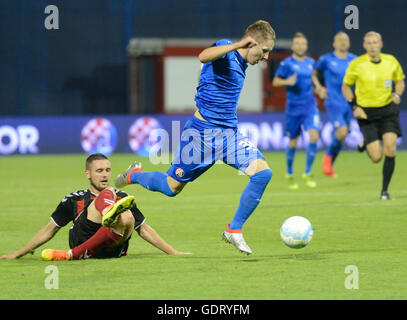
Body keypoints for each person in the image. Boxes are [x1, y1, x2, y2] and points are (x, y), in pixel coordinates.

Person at [115, 20, 276, 255]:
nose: (266, 57)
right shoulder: (226, 48)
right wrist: (237, 45)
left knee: (263, 174)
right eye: (264, 51)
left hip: (228, 135)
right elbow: (203, 56)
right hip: (200, 135)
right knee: (172, 188)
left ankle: (234, 230)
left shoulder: (242, 64)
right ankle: (134, 175)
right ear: (251, 43)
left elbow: (205, 70)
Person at [0, 153, 189, 260]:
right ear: (87, 174)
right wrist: (19, 253)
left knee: (128, 217)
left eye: (107, 170)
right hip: (82, 239)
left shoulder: (122, 196)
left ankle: (107, 217)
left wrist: (173, 252)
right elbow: (49, 230)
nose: (105, 175)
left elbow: (144, 230)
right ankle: (107, 212)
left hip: (111, 249)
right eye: (99, 171)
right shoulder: (74, 199)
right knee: (110, 195)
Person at [342, 31, 405, 200]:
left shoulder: (391, 61)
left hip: (387, 111)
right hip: (366, 113)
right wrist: (354, 106)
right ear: (364, 45)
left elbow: (399, 81)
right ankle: (366, 142)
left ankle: (385, 191)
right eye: (368, 43)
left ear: (381, 44)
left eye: (375, 42)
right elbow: (346, 86)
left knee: (390, 148)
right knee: (377, 157)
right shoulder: (357, 64)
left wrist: (397, 94)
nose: (372, 46)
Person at [272, 32, 325, 189]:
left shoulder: (310, 62)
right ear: (293, 46)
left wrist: (319, 88)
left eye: (303, 44)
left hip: (310, 106)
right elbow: (275, 81)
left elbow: (313, 78)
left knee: (314, 135)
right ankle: (289, 171)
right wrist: (287, 81)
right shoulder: (286, 64)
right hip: (293, 108)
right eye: (298, 44)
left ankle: (308, 172)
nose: (300, 46)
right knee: (293, 142)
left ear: (306, 46)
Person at [314, 32, 357, 177]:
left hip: (349, 103)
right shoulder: (325, 60)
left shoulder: (354, 60)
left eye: (345, 40)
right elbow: (313, 74)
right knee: (342, 132)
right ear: (334, 43)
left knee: (342, 136)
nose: (343, 42)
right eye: (340, 40)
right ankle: (327, 161)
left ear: (349, 43)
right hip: (333, 101)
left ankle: (330, 165)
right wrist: (319, 88)